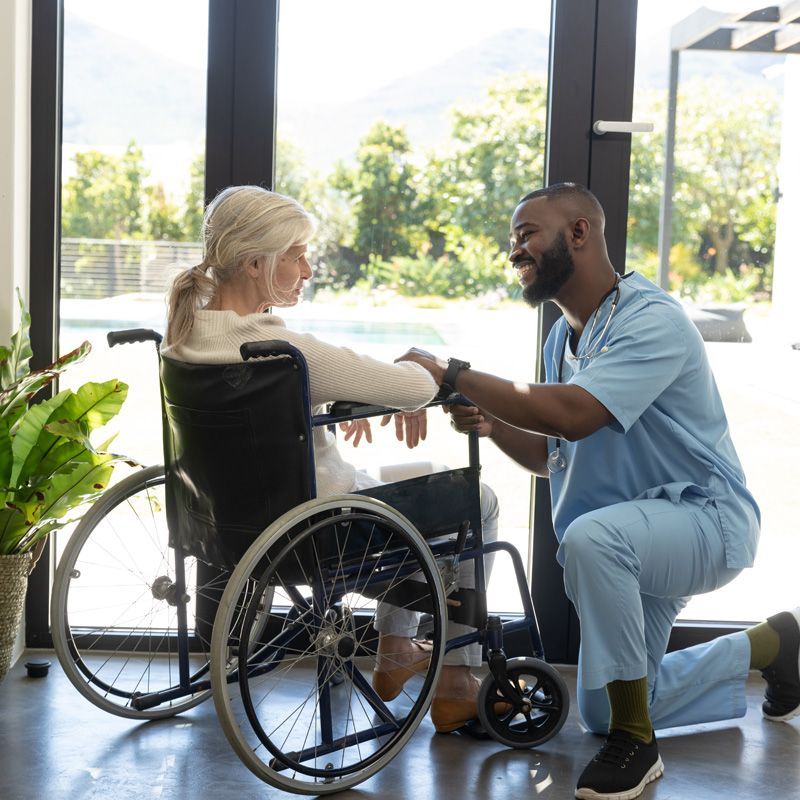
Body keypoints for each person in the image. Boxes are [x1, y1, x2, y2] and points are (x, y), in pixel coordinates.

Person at [398, 183, 798, 800]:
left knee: (591, 542)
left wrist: (455, 373)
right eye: (514, 239)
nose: (515, 251)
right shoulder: (564, 338)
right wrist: (491, 421)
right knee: (603, 708)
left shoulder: (652, 319)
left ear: (579, 233)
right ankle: (775, 643)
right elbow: (554, 451)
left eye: (526, 233)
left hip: (703, 522)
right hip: (631, 540)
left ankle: (637, 748)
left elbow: (575, 415)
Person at [161, 184, 499, 733]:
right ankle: (456, 679)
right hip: (324, 531)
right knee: (475, 501)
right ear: (254, 264)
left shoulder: (182, 346)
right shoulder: (286, 355)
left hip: (231, 527)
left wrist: (332, 398)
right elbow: (412, 388)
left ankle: (396, 650)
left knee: (411, 477)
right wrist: (421, 364)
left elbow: (276, 407)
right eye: (296, 255)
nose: (308, 269)